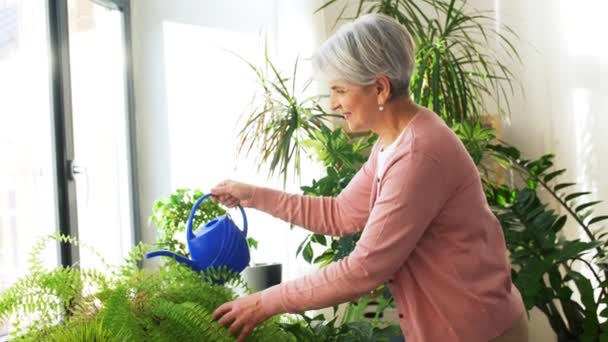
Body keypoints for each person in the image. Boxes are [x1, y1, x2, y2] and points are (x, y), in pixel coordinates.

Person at [211, 13, 528, 342]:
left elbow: (363, 270)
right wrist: (252, 196)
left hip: (478, 332)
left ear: (380, 88)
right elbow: (341, 213)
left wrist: (265, 302)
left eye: (340, 90)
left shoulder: (418, 155)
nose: (333, 103)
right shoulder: (394, 142)